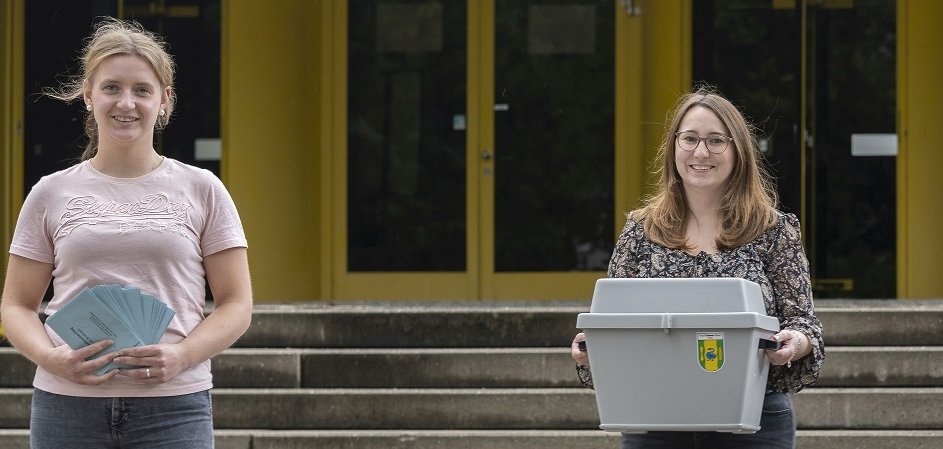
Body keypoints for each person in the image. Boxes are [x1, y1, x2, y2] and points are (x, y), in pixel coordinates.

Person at [0, 18, 252, 448]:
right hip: (67, 407)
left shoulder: (202, 188)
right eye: (112, 87)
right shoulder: (50, 191)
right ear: (88, 95)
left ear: (164, 99)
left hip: (174, 405)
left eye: (142, 90)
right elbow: (16, 305)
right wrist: (51, 358)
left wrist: (182, 356)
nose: (126, 103)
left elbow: (237, 304)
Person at [570, 86, 824, 449]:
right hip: (652, 420)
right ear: (673, 147)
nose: (701, 152)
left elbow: (804, 324)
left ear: (738, 150)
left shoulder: (773, 229)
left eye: (716, 140)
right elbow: (613, 320)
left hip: (754, 421)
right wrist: (591, 347)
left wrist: (793, 343)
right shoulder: (640, 231)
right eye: (689, 138)